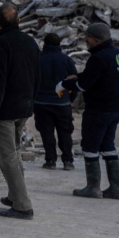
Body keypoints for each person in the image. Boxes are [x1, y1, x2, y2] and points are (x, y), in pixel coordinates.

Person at [0, 3, 41, 220]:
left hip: (5, 111)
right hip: (23, 107)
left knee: (7, 158)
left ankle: (23, 206)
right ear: (19, 21)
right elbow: (37, 77)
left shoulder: (0, 45)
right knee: (13, 153)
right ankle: (14, 196)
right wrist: (31, 102)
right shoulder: (30, 42)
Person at [61, 23, 119, 200]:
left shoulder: (98, 58)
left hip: (98, 110)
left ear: (96, 39)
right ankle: (116, 189)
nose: (85, 39)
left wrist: (65, 84)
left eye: (88, 36)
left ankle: (93, 188)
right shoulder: (116, 53)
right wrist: (80, 76)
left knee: (90, 147)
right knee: (107, 146)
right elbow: (103, 77)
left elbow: (83, 86)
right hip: (115, 108)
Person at [34, 33, 77, 171]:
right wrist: (70, 99)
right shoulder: (67, 60)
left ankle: (50, 161)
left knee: (47, 133)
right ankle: (68, 161)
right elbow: (74, 82)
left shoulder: (37, 59)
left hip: (41, 102)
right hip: (62, 103)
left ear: (44, 44)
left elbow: (31, 81)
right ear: (60, 44)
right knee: (65, 133)